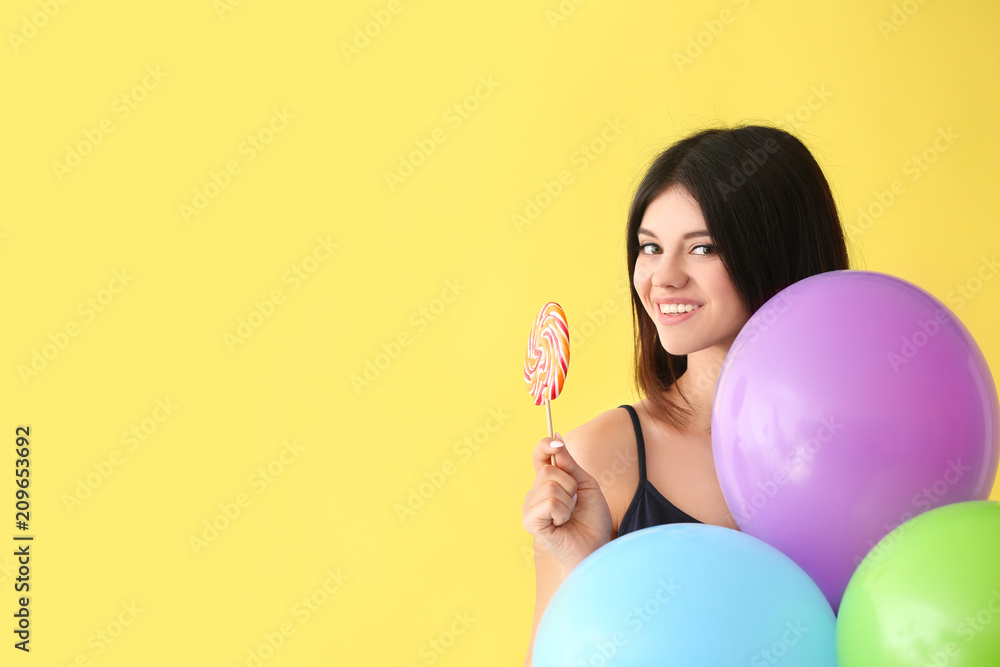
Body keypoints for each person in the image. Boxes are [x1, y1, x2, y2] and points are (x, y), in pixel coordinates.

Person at [521, 123, 851, 664]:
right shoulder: (599, 461)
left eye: (703, 248)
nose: (663, 277)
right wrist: (589, 564)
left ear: (777, 250)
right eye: (650, 247)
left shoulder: (860, 438)